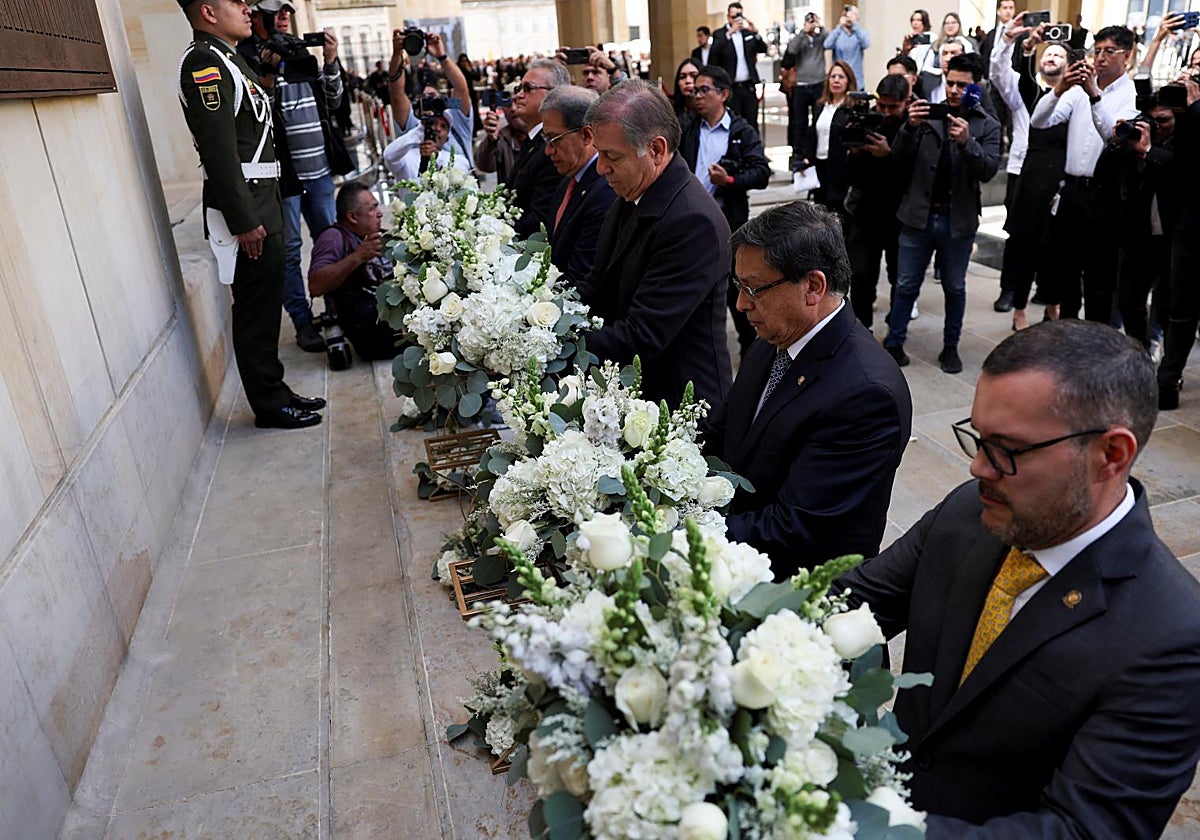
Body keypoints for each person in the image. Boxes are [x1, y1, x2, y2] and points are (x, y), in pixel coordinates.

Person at [839, 320, 1200, 836]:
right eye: (979, 438)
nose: (978, 469)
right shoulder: (972, 512)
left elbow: (1080, 831)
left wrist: (849, 828)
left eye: (1007, 449)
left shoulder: (1171, 638)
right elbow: (852, 603)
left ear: (1110, 455)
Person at [703, 201, 912, 578]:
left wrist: (682, 530)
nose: (741, 303)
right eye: (738, 284)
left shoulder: (865, 395)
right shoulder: (775, 336)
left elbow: (796, 529)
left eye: (753, 288)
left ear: (813, 287)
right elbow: (726, 431)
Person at [176, 0, 324, 429]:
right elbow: (220, 153)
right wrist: (242, 220)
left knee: (265, 305)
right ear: (207, 11)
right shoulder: (203, 63)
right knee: (255, 312)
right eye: (235, 1)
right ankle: (269, 404)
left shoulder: (230, 59)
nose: (246, 8)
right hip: (247, 212)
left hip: (264, 203)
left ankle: (275, 387)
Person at [578, 80, 733, 409]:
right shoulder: (633, 190)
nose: (601, 167)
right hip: (635, 396)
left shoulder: (692, 222)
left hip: (678, 409)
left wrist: (554, 345)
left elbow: (643, 336)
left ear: (656, 150)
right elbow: (597, 285)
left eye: (611, 156)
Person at [883, 53, 1001, 373]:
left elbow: (988, 170)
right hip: (917, 217)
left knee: (955, 287)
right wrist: (908, 127)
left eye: (962, 85)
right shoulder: (927, 115)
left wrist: (967, 143)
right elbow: (897, 161)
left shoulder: (987, 125)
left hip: (957, 221)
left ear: (977, 86)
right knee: (906, 284)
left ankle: (951, 347)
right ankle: (894, 343)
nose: (954, 90)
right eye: (950, 83)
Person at [246, 1, 350, 355]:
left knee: (330, 242)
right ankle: (303, 322)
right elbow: (258, 116)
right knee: (290, 250)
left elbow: (335, 102)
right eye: (277, 12)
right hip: (285, 178)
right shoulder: (248, 56)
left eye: (288, 11)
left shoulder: (303, 56)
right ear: (258, 17)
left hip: (319, 172)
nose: (285, 17)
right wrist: (268, 72)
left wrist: (331, 61)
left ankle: (336, 311)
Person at [1030, 25, 1139, 323]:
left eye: (1109, 51)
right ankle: (1066, 334)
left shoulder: (1131, 95)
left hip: (1104, 196)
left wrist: (1094, 95)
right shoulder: (1078, 89)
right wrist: (1059, 89)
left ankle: (1096, 343)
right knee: (1064, 272)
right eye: (1097, 51)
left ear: (1127, 56)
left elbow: (1113, 137)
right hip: (1071, 192)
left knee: (1098, 281)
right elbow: (1039, 121)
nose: (1100, 58)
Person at [678, 65, 771, 357]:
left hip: (728, 223)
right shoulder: (688, 128)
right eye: (694, 91)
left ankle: (751, 353)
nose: (698, 96)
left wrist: (728, 181)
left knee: (735, 290)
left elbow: (761, 173)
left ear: (724, 94)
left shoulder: (741, 131)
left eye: (704, 90)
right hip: (689, 225)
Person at [990, 19, 1069, 330]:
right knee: (1022, 244)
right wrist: (1022, 46)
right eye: (1046, 53)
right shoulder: (1031, 93)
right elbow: (1006, 73)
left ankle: (1051, 302)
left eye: (1058, 55)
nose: (1051, 57)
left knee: (1055, 249)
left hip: (1061, 183)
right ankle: (1015, 302)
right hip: (1028, 178)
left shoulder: (1077, 96)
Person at [844, 73, 913, 330]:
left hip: (899, 214)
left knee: (900, 278)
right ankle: (862, 332)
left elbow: (913, 174)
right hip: (864, 212)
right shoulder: (866, 119)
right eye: (881, 105)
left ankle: (896, 330)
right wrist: (854, 151)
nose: (885, 112)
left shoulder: (914, 125)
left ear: (906, 101)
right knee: (861, 275)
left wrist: (888, 155)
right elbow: (850, 175)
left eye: (892, 107)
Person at [308, 183, 399, 361]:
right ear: (353, 217)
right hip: (372, 334)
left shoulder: (372, 234)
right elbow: (315, 286)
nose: (380, 214)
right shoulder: (333, 238)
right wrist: (357, 257)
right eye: (372, 209)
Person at [540, 86, 616, 287]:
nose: (548, 151)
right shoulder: (569, 178)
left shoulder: (604, 191)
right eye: (545, 139)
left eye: (554, 139)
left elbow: (582, 275)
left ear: (586, 135)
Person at [1156, 71, 1200, 410]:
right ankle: (1167, 381)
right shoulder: (1191, 114)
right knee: (1179, 311)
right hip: (1191, 225)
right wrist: (1188, 111)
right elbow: (1183, 164)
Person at [383, 32, 475, 180]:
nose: (437, 128)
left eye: (433, 98)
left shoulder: (455, 121)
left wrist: (442, 56)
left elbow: (461, 88)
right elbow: (396, 94)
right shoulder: (413, 126)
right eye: (425, 99)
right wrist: (397, 54)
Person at [505, 59, 571, 238]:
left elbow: (540, 218)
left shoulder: (554, 146)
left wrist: (497, 229)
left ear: (554, 95)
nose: (518, 95)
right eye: (518, 89)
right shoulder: (533, 139)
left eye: (528, 88)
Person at [798, 61, 857, 217]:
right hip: (820, 165)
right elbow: (813, 134)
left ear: (848, 81)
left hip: (840, 169)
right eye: (833, 77)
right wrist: (806, 157)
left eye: (841, 77)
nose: (836, 80)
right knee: (820, 212)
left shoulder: (851, 109)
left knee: (839, 212)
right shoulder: (821, 105)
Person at [781, 12, 828, 169]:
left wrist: (821, 27)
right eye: (809, 21)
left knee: (817, 121)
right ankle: (798, 155)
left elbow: (831, 42)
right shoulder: (799, 38)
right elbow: (792, 50)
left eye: (813, 21)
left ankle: (814, 154)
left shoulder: (821, 38)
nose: (812, 24)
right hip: (801, 85)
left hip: (818, 84)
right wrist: (804, 32)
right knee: (799, 123)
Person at [710, 2, 768, 125]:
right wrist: (729, 33)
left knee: (751, 121)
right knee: (734, 122)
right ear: (728, 17)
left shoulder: (747, 33)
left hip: (748, 86)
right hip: (731, 87)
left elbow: (763, 49)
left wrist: (756, 32)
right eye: (733, 17)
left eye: (739, 16)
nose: (736, 20)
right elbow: (713, 54)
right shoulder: (720, 34)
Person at [475, 101, 527, 183]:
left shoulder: (548, 133)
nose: (513, 109)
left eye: (518, 102)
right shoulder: (502, 137)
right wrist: (491, 141)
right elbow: (484, 166)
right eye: (508, 104)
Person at [824, 5, 870, 91]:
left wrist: (855, 26)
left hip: (856, 80)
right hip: (840, 80)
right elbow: (827, 45)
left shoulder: (860, 33)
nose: (849, 18)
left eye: (853, 15)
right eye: (847, 15)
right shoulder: (837, 33)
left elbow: (866, 44)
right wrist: (839, 26)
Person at [900, 9, 934, 75]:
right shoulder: (909, 38)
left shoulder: (932, 37)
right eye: (913, 20)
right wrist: (905, 50)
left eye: (919, 20)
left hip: (926, 74)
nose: (915, 23)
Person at [670, 58, 700, 126]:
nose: (688, 81)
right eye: (682, 77)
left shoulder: (709, 112)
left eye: (693, 76)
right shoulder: (670, 112)